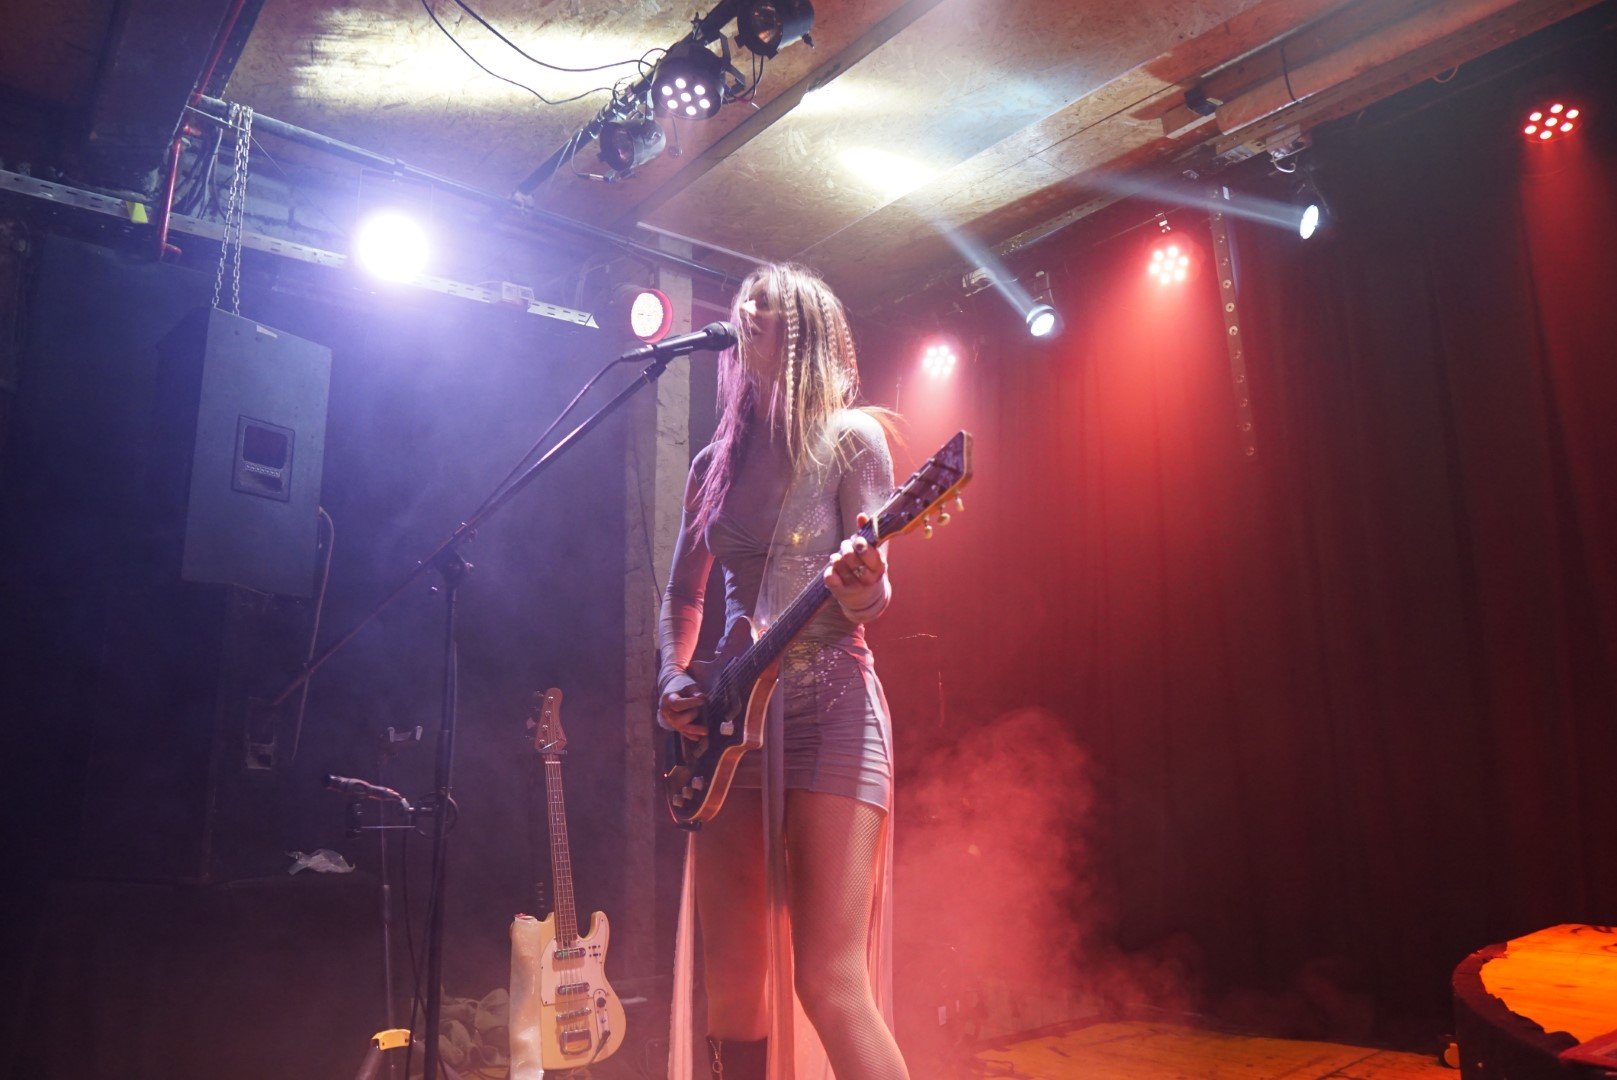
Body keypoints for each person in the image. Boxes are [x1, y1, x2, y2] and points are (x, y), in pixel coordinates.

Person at [657, 262, 910, 1080]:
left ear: (806, 328)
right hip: (732, 728)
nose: (747, 310)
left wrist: (862, 585)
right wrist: (673, 676)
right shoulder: (713, 461)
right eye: (744, 300)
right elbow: (681, 595)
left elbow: (874, 596)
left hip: (830, 711)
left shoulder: (851, 439)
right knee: (735, 987)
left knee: (829, 980)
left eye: (767, 302)